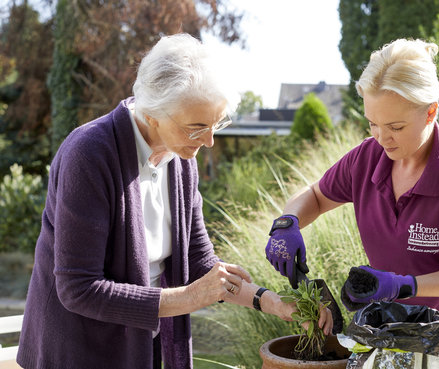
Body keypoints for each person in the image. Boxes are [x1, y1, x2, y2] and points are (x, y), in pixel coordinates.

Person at [17, 33, 332, 369]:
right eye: (196, 127)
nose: (209, 141)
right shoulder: (89, 154)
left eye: (216, 124)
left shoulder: (181, 160)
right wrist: (190, 297)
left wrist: (271, 301)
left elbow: (199, 261)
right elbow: (78, 288)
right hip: (78, 351)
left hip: (141, 343)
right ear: (153, 113)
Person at [265, 38, 439, 369]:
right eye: (373, 123)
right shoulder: (367, 158)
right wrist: (287, 223)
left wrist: (401, 285)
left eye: (395, 126)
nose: (382, 138)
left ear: (430, 112)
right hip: (390, 339)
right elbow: (316, 196)